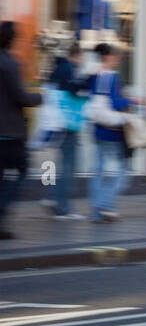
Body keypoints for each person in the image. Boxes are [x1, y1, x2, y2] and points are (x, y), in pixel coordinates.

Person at [0, 21, 43, 239]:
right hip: (9, 132)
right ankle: (2, 213)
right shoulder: (9, 64)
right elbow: (21, 97)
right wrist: (40, 97)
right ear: (11, 40)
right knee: (21, 170)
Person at [88, 43, 132, 223]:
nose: (117, 61)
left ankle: (98, 212)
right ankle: (105, 205)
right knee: (122, 170)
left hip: (97, 129)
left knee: (98, 171)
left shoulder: (93, 75)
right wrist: (131, 101)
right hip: (112, 131)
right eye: (116, 57)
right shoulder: (112, 77)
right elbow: (115, 103)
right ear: (109, 57)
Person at [49, 42, 89, 219]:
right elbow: (73, 90)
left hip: (59, 123)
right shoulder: (68, 69)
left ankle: (54, 200)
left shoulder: (59, 68)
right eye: (81, 57)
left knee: (65, 164)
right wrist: (86, 82)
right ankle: (62, 207)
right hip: (68, 124)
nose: (82, 61)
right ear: (77, 55)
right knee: (68, 165)